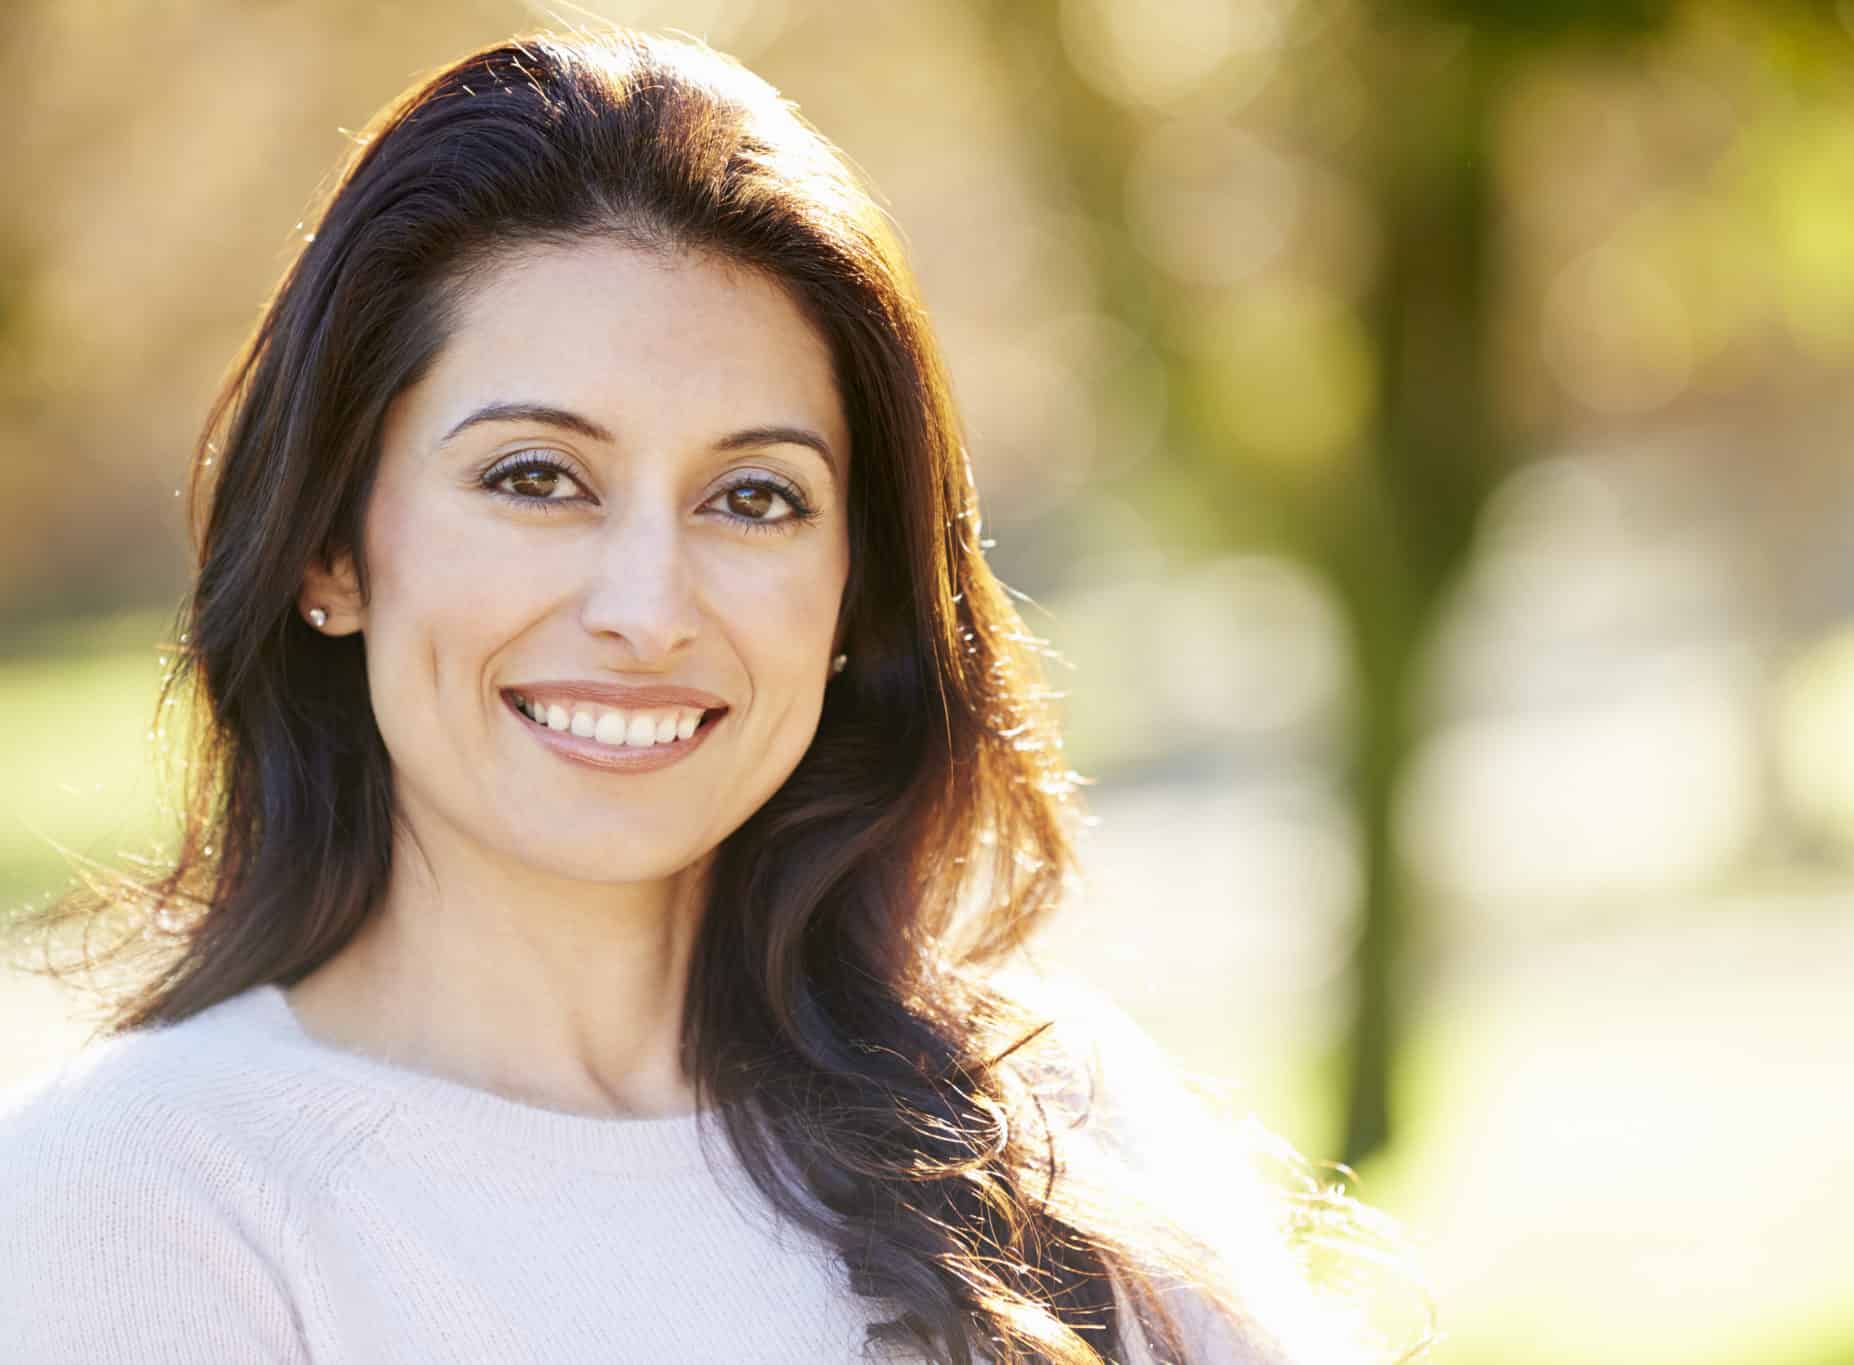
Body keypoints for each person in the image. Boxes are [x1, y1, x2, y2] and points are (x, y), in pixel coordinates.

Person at [0, 28, 1404, 1365]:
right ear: (332, 546)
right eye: (536, 477)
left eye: (753, 497)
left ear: (857, 593)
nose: (648, 607)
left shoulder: (1063, 1124)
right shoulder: (141, 1198)